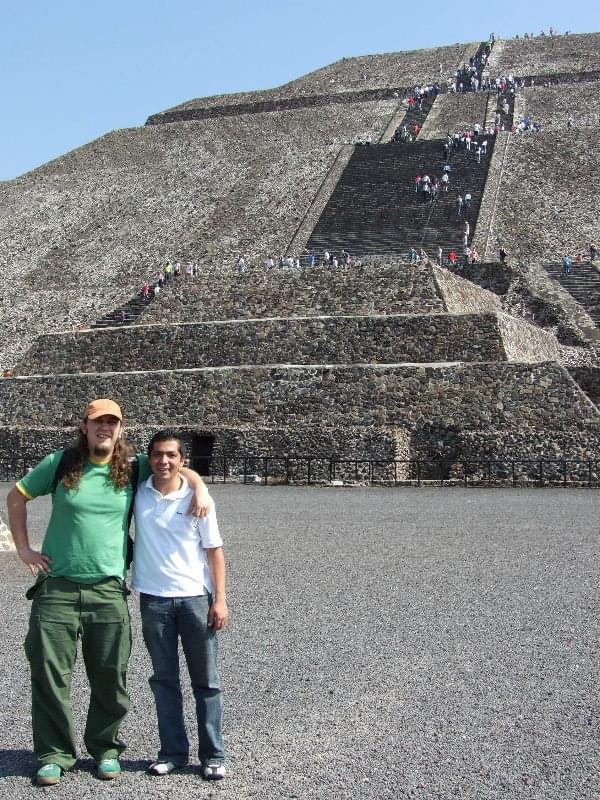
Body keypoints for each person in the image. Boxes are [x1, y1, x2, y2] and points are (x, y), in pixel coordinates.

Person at [6, 399, 211, 786]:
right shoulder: (61, 462)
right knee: (50, 675)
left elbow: (176, 467)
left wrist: (199, 488)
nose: (105, 428)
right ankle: (55, 753)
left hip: (107, 589)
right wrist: (24, 548)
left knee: (109, 676)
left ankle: (105, 748)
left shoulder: (131, 469)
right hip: (58, 588)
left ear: (120, 429)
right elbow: (17, 496)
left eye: (112, 423)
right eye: (98, 422)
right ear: (84, 426)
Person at [132, 431, 229, 780]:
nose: (164, 461)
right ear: (149, 458)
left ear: (182, 460)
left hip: (193, 598)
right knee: (164, 680)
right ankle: (172, 752)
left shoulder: (199, 499)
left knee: (207, 681)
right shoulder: (138, 491)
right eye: (158, 455)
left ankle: (214, 754)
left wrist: (220, 599)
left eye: (172, 455)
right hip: (153, 599)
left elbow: (214, 550)